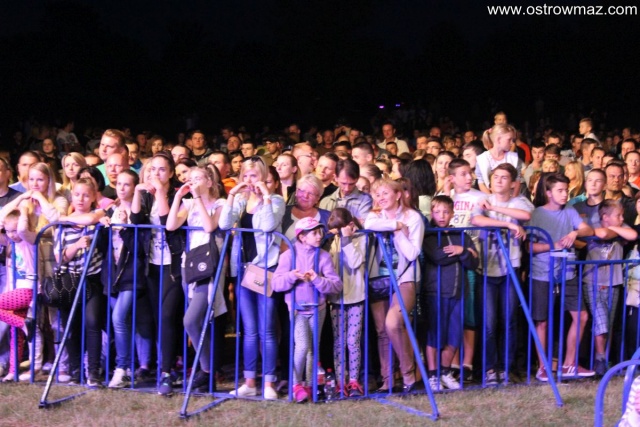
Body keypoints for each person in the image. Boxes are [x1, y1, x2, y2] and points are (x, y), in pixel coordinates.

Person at [219, 156, 285, 400]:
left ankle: (268, 383)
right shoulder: (240, 200)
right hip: (243, 270)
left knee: (266, 329)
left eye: (253, 175)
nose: (249, 180)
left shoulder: (276, 200)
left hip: (265, 268)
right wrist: (231, 196)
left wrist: (265, 196)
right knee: (249, 330)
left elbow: (267, 226)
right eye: (245, 175)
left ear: (263, 176)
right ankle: (249, 382)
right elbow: (224, 224)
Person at [471, 163, 534, 384]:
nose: (498, 180)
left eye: (504, 177)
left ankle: (506, 367)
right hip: (486, 268)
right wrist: (508, 225)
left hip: (510, 269)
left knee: (509, 321)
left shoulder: (518, 201)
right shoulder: (483, 200)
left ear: (513, 183)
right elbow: (477, 219)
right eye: (495, 176)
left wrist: (498, 210)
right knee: (489, 323)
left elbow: (525, 214)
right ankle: (490, 368)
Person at [166, 165, 227, 392]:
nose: (192, 182)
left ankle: (207, 370)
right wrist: (178, 198)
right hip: (189, 265)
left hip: (208, 267)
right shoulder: (189, 203)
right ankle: (209, 374)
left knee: (190, 320)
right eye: (190, 178)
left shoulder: (220, 204)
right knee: (200, 323)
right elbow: (171, 225)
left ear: (209, 182)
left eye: (198, 178)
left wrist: (198, 198)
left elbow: (210, 226)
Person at [529, 173, 595, 381]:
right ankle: (543, 367)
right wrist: (553, 246)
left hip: (568, 272)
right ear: (548, 193)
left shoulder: (569, 210)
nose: (565, 194)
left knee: (581, 316)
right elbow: (529, 247)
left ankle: (569, 364)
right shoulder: (538, 214)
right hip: (542, 273)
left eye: (566, 190)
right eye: (560, 190)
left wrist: (575, 233)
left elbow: (588, 229)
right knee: (542, 321)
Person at [130, 152, 185, 396]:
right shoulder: (145, 195)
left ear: (171, 173)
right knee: (157, 317)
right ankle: (166, 365)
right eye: (152, 169)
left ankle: (166, 372)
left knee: (167, 315)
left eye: (162, 169)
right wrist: (137, 192)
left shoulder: (180, 195)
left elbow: (165, 221)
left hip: (174, 265)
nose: (156, 174)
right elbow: (134, 220)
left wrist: (160, 192)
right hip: (151, 264)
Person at [272, 217, 342, 403]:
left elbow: (336, 285)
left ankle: (310, 385)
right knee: (302, 346)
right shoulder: (288, 256)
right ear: (302, 237)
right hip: (296, 309)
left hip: (318, 308)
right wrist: (291, 276)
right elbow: (276, 284)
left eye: (320, 232)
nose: (319, 236)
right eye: (314, 233)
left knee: (313, 348)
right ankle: (296, 385)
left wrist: (317, 279)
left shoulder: (324, 256)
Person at [365, 178, 425, 393]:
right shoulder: (375, 215)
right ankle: (388, 380)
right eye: (377, 194)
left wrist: (399, 233)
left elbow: (412, 253)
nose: (380, 198)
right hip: (379, 276)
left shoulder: (413, 217)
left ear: (398, 195)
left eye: (385, 193)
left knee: (393, 323)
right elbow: (368, 225)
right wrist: (396, 225)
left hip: (404, 276)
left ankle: (410, 375)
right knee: (382, 331)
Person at [99, 170, 153, 388]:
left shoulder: (139, 214)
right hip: (113, 274)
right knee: (124, 322)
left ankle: (121, 368)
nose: (121, 188)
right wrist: (103, 228)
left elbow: (139, 249)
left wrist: (124, 229)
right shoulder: (111, 210)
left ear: (134, 187)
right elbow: (103, 248)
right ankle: (129, 366)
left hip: (132, 274)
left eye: (127, 184)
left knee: (119, 318)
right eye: (119, 184)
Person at [423, 195, 479, 391]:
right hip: (436, 292)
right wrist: (463, 253)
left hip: (459, 293)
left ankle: (445, 372)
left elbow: (474, 262)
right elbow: (438, 256)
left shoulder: (460, 235)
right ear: (432, 213)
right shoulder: (429, 235)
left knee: (454, 335)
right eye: (437, 212)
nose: (441, 216)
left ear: (452, 213)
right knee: (434, 335)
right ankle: (433, 375)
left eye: (446, 212)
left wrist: (461, 250)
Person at [56, 178, 105, 386]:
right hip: (70, 280)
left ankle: (93, 372)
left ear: (93, 197)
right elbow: (59, 257)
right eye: (77, 195)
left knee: (92, 323)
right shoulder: (63, 225)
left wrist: (96, 221)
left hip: (92, 279)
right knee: (71, 325)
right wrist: (76, 245)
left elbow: (96, 217)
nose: (81, 199)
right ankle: (75, 371)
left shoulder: (97, 218)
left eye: (86, 195)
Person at [583, 200, 637, 376]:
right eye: (618, 216)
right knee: (601, 323)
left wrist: (613, 230)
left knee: (609, 322)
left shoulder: (622, 227)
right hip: (593, 281)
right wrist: (611, 232)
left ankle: (604, 360)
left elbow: (632, 235)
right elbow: (601, 233)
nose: (622, 218)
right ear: (605, 217)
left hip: (614, 282)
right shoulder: (592, 225)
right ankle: (599, 358)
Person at [447, 158, 487, 382]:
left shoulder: (480, 197)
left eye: (469, 172)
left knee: (469, 313)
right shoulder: (447, 197)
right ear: (452, 178)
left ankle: (467, 363)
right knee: (453, 314)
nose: (469, 177)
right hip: (450, 263)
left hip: (471, 260)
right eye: (463, 174)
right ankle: (453, 361)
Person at [326, 208, 366, 396]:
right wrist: (332, 238)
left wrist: (347, 239)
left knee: (353, 341)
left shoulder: (361, 238)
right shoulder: (333, 241)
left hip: (356, 296)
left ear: (349, 225)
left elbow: (355, 262)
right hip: (336, 299)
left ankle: (354, 381)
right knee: (339, 342)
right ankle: (341, 380)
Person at [0, 208, 37, 381]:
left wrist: (23, 206)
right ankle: (13, 371)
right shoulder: (10, 244)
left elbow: (22, 229)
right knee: (16, 333)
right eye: (8, 231)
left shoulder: (28, 241)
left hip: (28, 290)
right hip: (16, 291)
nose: (12, 235)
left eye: (14, 230)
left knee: (19, 326)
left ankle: (23, 323)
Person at [319, 159, 373, 223]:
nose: (347, 188)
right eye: (343, 183)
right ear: (335, 177)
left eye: (351, 184)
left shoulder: (365, 200)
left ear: (357, 179)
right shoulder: (325, 202)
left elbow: (365, 225)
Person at [281, 175, 330, 244]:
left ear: (318, 198)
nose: (305, 196)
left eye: (311, 193)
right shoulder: (283, 211)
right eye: (302, 191)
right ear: (296, 192)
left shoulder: (327, 217)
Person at [475, 124, 522, 195]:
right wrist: (491, 199)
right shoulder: (482, 159)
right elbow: (481, 183)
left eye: (512, 140)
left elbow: (517, 180)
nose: (512, 143)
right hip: (489, 198)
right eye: (509, 139)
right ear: (498, 139)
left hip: (510, 197)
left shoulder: (514, 158)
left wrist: (513, 198)